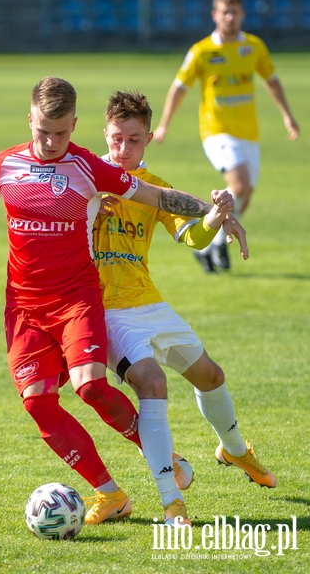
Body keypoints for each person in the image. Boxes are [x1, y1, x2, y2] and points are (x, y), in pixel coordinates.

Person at [0, 76, 241, 528]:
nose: (52, 142)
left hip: (77, 300)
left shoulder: (88, 167)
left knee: (91, 385)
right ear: (29, 119)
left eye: (62, 132)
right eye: (42, 132)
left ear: (75, 124)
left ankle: (162, 456)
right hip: (24, 308)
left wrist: (218, 213)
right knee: (37, 402)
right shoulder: (4, 165)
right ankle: (111, 494)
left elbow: (156, 196)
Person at [93, 90, 276, 526]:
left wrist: (216, 214)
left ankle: (235, 452)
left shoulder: (154, 187)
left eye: (133, 140)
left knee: (211, 376)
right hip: (109, 312)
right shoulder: (88, 176)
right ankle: (172, 501)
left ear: (149, 138)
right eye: (117, 139)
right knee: (152, 387)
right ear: (105, 133)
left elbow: (193, 237)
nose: (123, 149)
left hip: (150, 302)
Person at [153, 0, 299, 273]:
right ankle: (215, 237)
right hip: (216, 130)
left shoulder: (254, 47)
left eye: (234, 12)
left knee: (245, 195)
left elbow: (272, 81)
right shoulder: (202, 51)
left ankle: (210, 243)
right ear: (214, 16)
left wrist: (288, 116)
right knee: (240, 185)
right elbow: (179, 88)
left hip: (249, 133)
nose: (229, 18)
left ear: (242, 15)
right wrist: (164, 125)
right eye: (224, 13)